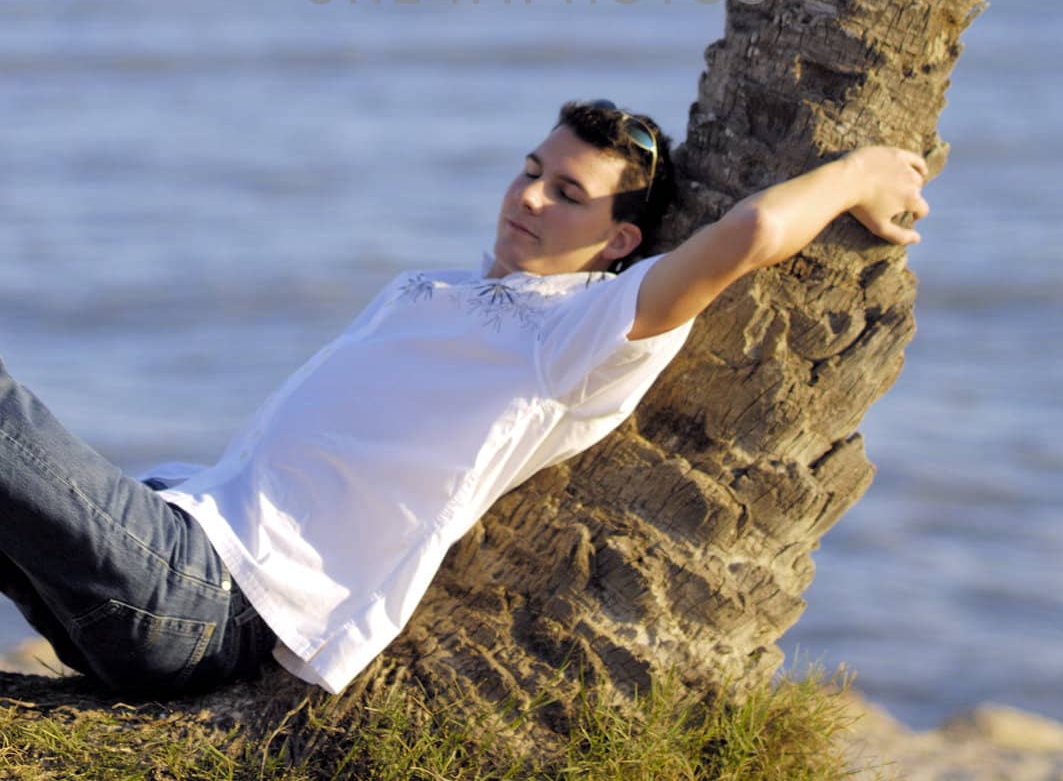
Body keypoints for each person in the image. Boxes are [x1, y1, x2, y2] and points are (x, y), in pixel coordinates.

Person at [0, 98, 929, 698]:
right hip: (173, 534)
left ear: (616, 243)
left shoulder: (581, 331)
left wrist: (861, 174)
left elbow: (754, 231)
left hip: (211, 597)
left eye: (567, 193)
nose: (528, 196)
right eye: (531, 169)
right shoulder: (427, 289)